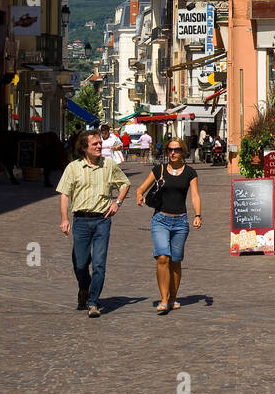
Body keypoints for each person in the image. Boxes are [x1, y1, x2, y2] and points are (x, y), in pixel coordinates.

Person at [57, 130, 131, 317]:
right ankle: (84, 287)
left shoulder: (109, 165)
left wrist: (117, 202)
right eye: (95, 144)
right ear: (84, 148)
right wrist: (64, 219)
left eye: (100, 143)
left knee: (99, 263)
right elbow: (64, 194)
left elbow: (124, 183)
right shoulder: (73, 168)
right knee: (80, 264)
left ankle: (93, 302)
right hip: (81, 220)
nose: (99, 146)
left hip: (102, 220)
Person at [135, 137, 202, 314]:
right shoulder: (159, 170)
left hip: (180, 222)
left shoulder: (190, 173)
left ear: (183, 152)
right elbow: (140, 188)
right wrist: (139, 196)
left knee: (175, 261)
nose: (173, 153)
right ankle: (163, 299)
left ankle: (173, 297)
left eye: (177, 149)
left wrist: (197, 215)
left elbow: (195, 195)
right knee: (163, 257)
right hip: (160, 220)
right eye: (170, 150)